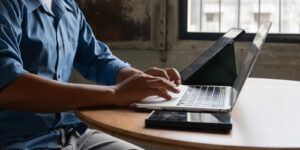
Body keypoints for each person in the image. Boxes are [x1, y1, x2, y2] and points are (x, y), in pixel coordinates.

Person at [0, 0, 181, 149]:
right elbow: (10, 87)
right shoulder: (6, 6)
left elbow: (96, 58)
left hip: (66, 133)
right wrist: (116, 94)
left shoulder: (66, 6)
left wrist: (138, 79)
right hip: (14, 141)